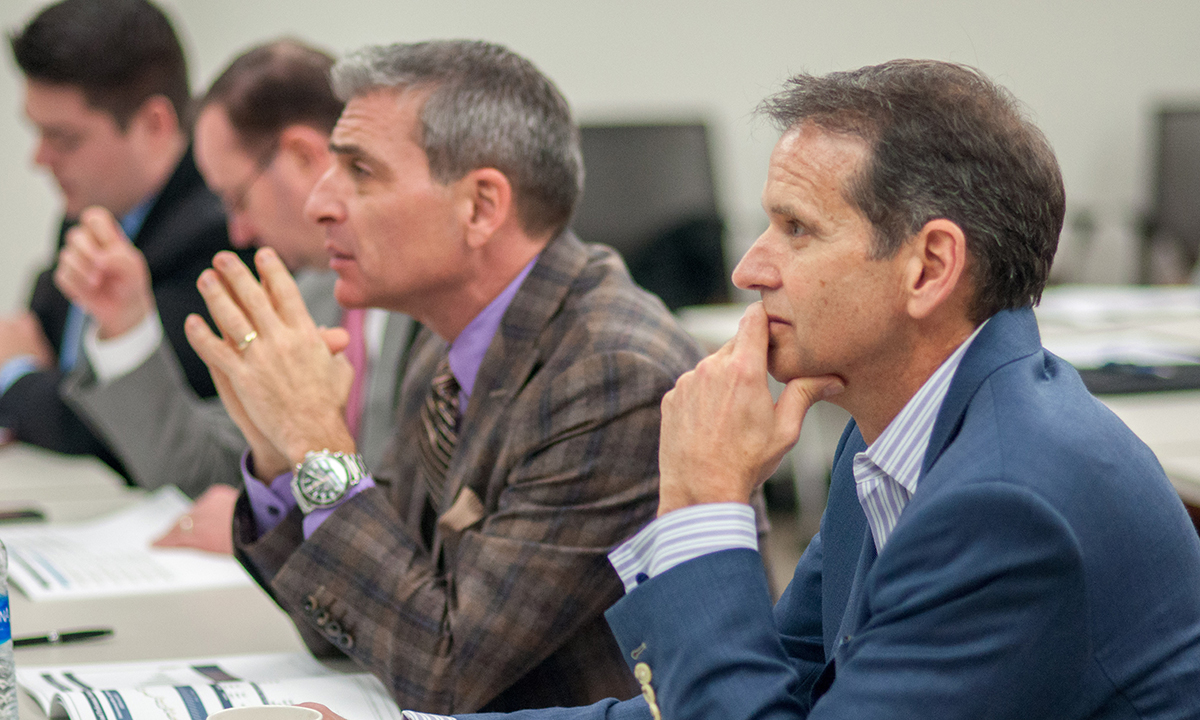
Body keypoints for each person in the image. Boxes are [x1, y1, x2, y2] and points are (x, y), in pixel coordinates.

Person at [308, 59, 1200, 720]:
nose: (745, 269)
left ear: (929, 266)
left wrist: (705, 505)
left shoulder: (1008, 499)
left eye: (796, 229)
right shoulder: (894, 432)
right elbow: (743, 690)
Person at [184, 40, 709, 714]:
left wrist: (317, 443)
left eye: (360, 172)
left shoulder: (612, 379)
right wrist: (276, 449)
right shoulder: (446, 351)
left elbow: (444, 673)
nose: (319, 205)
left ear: (481, 207)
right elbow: (364, 624)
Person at [54, 40, 415, 554]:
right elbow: (207, 469)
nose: (239, 231)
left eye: (236, 198)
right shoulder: (309, 295)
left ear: (301, 156)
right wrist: (126, 326)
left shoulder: (437, 306)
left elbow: (411, 531)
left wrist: (269, 529)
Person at [0, 0, 240, 475]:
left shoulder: (224, 236)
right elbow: (42, 336)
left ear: (154, 125)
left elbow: (111, 426)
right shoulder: (92, 208)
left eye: (65, 138)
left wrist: (17, 377)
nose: (40, 158)